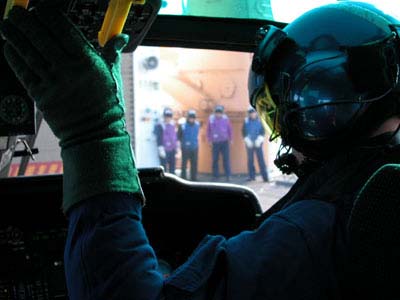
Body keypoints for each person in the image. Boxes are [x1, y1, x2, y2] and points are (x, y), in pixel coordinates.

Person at [2, 2, 400, 299]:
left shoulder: (318, 229)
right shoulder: (373, 194)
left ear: (310, 104)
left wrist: (93, 134)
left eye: (273, 113)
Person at [242, 107, 269, 182]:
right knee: (250, 160)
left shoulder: (260, 120)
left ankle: (265, 177)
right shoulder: (246, 121)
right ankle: (251, 176)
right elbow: (243, 131)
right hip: (249, 144)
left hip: (258, 143)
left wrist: (259, 139)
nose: (252, 114)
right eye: (251, 113)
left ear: (256, 113)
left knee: (261, 160)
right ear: (249, 114)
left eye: (254, 112)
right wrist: (247, 140)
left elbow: (263, 131)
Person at [206, 105, 232, 181]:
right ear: (215, 113)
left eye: (220, 112)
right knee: (215, 159)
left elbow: (229, 129)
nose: (218, 114)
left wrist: (231, 139)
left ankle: (228, 175)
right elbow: (208, 130)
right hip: (215, 143)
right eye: (217, 112)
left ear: (222, 113)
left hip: (224, 142)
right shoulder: (211, 119)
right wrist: (209, 140)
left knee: (226, 159)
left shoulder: (226, 119)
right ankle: (215, 176)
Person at [153, 108, 178, 174]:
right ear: (164, 116)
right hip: (164, 150)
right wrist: (160, 149)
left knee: (172, 169)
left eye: (169, 116)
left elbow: (174, 137)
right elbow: (158, 138)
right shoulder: (159, 125)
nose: (168, 118)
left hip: (172, 150)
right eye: (166, 116)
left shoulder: (172, 125)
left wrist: (176, 148)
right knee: (164, 170)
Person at [178, 109, 200, 181]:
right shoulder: (182, 125)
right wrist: (182, 144)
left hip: (194, 148)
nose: (191, 119)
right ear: (188, 117)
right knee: (184, 163)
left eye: (193, 117)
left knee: (194, 164)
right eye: (190, 117)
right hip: (185, 148)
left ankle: (193, 178)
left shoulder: (197, 125)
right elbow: (179, 136)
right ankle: (183, 178)